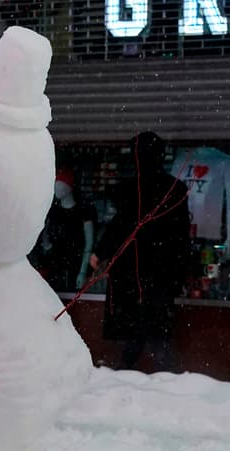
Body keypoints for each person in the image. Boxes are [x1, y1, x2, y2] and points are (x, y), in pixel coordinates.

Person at [89, 132, 191, 372]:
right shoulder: (173, 190)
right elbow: (181, 235)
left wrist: (101, 251)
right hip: (159, 274)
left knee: (135, 337)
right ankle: (162, 385)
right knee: (156, 338)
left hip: (135, 275)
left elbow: (120, 225)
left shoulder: (130, 190)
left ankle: (128, 383)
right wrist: (181, 271)